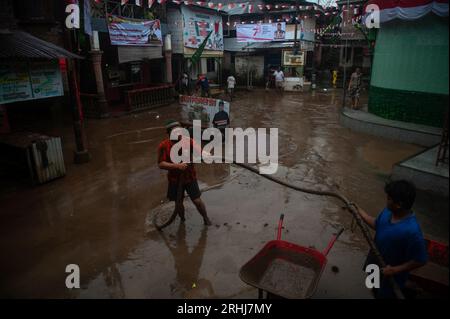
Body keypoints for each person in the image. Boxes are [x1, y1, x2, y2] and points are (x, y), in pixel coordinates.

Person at [353, 180, 427, 299]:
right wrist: (360, 212)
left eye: (389, 199)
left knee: (385, 295)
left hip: (391, 276)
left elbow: (420, 260)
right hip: (375, 263)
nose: (386, 200)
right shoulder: (388, 211)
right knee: (372, 287)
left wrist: (395, 270)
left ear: (399, 204)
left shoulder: (412, 232)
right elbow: (377, 225)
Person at [158, 120, 212, 226]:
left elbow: (200, 151)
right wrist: (177, 166)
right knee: (178, 203)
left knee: (197, 201)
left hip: (189, 177)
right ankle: (182, 220)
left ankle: (206, 218)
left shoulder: (188, 141)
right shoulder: (164, 146)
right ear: (169, 133)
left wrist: (205, 154)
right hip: (174, 179)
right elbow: (160, 164)